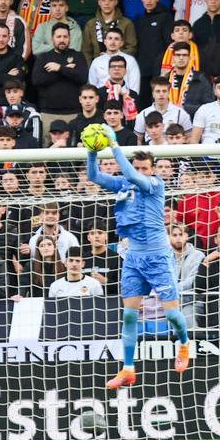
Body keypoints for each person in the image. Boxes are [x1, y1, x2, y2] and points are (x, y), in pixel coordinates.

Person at [85, 135, 191, 388]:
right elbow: (94, 177)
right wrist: (91, 152)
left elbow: (132, 176)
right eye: (138, 166)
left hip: (157, 257)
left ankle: (184, 344)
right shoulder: (123, 185)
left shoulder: (155, 185)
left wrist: (114, 145)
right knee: (130, 316)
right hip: (133, 258)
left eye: (145, 168)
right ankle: (128, 368)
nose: (140, 171)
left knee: (173, 315)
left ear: (152, 170)